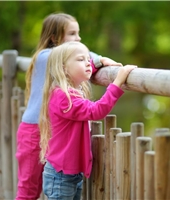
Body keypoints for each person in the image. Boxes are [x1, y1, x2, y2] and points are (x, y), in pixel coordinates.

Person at [15, 12, 122, 200]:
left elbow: (77, 55)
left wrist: (94, 61)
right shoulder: (46, 57)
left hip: (52, 130)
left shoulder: (64, 62)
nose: (78, 38)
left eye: (78, 33)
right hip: (34, 132)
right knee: (29, 190)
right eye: (72, 34)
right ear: (54, 38)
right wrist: (98, 60)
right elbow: (78, 55)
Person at [39, 41, 136, 199]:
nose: (87, 63)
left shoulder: (70, 88)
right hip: (61, 177)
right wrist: (117, 82)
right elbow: (96, 111)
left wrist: (99, 62)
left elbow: (83, 68)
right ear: (63, 68)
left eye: (87, 59)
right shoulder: (63, 97)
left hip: (70, 173)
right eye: (80, 59)